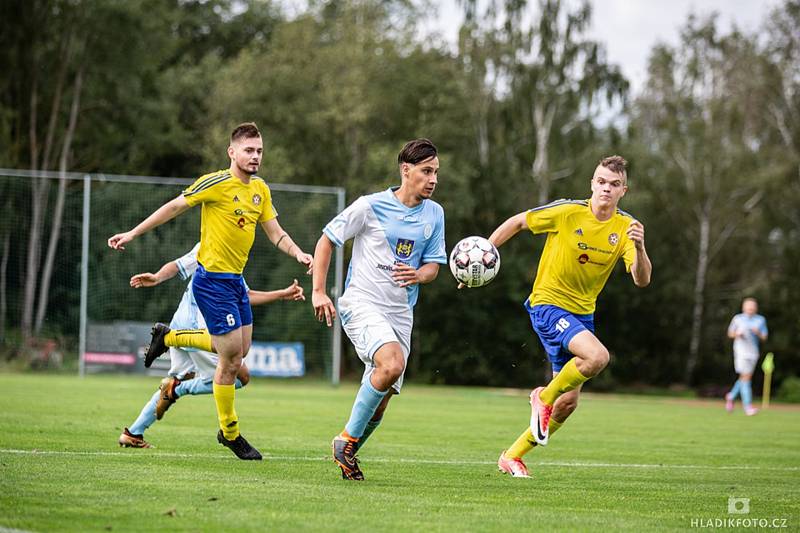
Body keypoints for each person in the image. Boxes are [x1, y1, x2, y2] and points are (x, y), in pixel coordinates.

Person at [108, 122, 313, 460]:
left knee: (240, 352)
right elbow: (174, 207)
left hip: (235, 281)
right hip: (211, 282)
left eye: (259, 150)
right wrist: (133, 233)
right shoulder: (215, 183)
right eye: (249, 150)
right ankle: (230, 432)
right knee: (231, 360)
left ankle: (171, 338)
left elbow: (276, 233)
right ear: (232, 152)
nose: (255, 156)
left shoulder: (260, 189)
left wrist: (298, 252)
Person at [484, 155, 651, 478]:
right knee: (597, 356)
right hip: (547, 304)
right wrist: (485, 253)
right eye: (601, 182)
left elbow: (641, 279)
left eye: (614, 185)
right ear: (592, 184)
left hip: (582, 316)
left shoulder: (626, 228)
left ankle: (512, 455)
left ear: (623, 191)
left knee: (569, 403)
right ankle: (542, 397)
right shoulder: (568, 212)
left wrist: (640, 249)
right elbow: (519, 221)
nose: (606, 189)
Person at [311, 139, 446, 480]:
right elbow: (327, 239)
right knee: (392, 363)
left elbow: (433, 267)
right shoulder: (370, 206)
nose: (432, 179)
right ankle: (345, 441)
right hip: (362, 303)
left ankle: (349, 451)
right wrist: (318, 291)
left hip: (401, 313)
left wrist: (418, 274)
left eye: (435, 173)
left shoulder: (435, 213)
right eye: (426, 171)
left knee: (383, 395)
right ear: (406, 170)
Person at [119, 243, 305, 448]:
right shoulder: (212, 244)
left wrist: (281, 294)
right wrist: (156, 277)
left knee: (176, 380)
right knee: (240, 376)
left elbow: (245, 296)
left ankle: (134, 433)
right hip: (200, 330)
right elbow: (177, 265)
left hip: (180, 325)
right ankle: (178, 387)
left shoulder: (232, 257)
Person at [725, 297, 768, 416]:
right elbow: (730, 333)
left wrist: (758, 333)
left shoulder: (760, 320)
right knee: (746, 378)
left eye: (753, 306)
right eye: (749, 306)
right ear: (744, 307)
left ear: (756, 308)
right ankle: (747, 406)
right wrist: (737, 334)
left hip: (753, 352)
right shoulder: (737, 319)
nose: (751, 309)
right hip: (740, 351)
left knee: (745, 377)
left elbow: (764, 337)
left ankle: (731, 396)